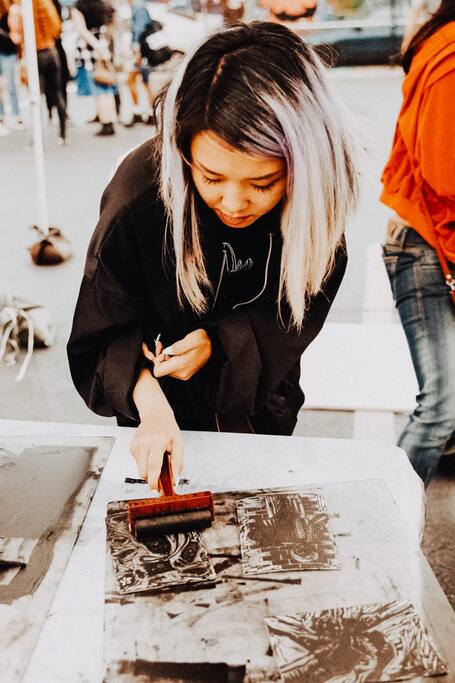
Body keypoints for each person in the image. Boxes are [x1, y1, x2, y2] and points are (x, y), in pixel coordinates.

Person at [67, 22, 359, 489]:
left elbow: (300, 305)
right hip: (157, 414)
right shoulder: (137, 201)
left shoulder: (316, 200)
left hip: (262, 404)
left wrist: (218, 342)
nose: (234, 203)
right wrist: (150, 403)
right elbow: (102, 331)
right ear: (183, 151)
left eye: (263, 183)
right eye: (211, 178)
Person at [381, 0, 455, 486]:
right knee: (442, 406)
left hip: (436, 239)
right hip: (425, 243)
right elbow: (443, 172)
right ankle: (382, 513)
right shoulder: (450, 55)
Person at [72, 0, 117, 136]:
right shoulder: (105, 4)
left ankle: (106, 123)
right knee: (106, 85)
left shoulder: (78, 6)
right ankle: (109, 118)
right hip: (104, 43)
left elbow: (82, 31)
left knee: (99, 85)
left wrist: (97, 46)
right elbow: (113, 22)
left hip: (90, 48)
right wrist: (105, 44)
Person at [0, 0, 22, 135]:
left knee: (10, 85)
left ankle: (16, 117)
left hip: (7, 52)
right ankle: (1, 118)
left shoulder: (10, 10)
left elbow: (15, 35)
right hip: (5, 51)